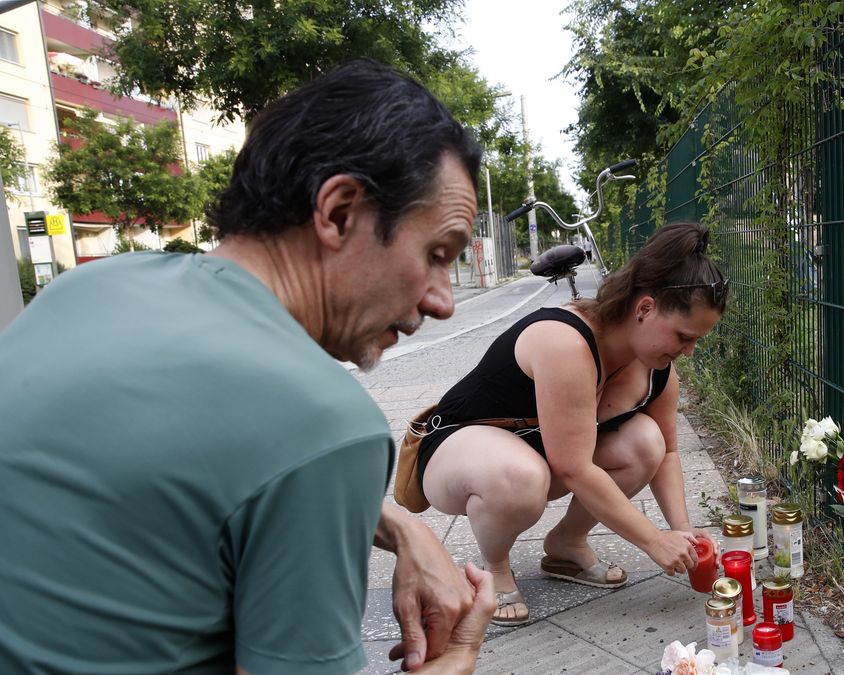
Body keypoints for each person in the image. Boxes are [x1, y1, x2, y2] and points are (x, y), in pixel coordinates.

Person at [0, 60, 494, 674]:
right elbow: (280, 450)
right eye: (436, 253)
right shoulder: (324, 423)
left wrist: (402, 527)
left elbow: (197, 471)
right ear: (339, 212)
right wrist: (461, 658)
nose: (443, 302)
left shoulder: (87, 289)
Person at [417, 222, 729, 625]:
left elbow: (667, 452)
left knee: (645, 443)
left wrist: (684, 533)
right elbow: (573, 467)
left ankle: (567, 543)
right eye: (683, 337)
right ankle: (494, 567)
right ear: (645, 308)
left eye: (696, 341)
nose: (688, 352)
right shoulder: (567, 341)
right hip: (456, 449)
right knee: (520, 477)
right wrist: (653, 540)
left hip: (535, 456)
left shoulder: (659, 373)